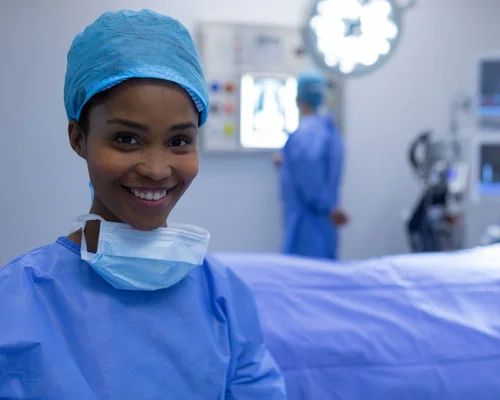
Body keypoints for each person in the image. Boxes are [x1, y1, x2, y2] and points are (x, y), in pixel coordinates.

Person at [0, 9, 286, 399]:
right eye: (127, 140)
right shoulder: (17, 302)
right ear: (78, 138)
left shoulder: (224, 300)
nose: (156, 169)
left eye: (179, 141)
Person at [278, 69, 348, 259]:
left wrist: (325, 206)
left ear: (298, 99)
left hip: (309, 224)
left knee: (303, 277)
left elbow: (310, 182)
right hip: (323, 222)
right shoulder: (329, 129)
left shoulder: (304, 135)